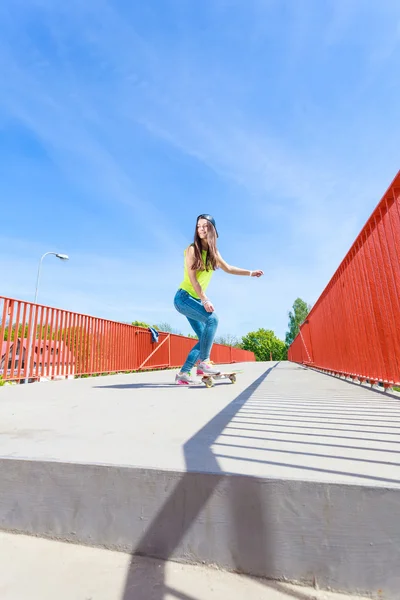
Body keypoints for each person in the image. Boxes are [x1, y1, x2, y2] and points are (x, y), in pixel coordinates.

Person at [173, 214, 264, 385]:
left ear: (212, 229)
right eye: (198, 226)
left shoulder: (213, 253)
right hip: (184, 298)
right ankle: (204, 363)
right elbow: (193, 279)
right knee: (212, 319)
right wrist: (205, 300)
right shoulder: (192, 249)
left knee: (204, 338)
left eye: (205, 226)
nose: (201, 229)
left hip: (194, 300)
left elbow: (229, 268)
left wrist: (251, 273)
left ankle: (183, 373)